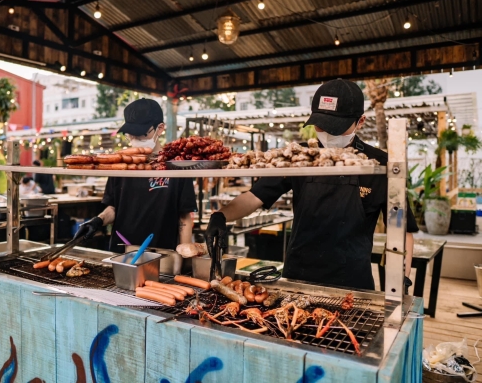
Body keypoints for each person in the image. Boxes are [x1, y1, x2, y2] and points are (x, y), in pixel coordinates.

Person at [205, 79, 418, 291]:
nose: (327, 133)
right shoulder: (299, 156)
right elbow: (254, 196)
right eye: (321, 125)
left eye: (337, 128)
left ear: (360, 122)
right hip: (299, 276)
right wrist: (221, 216)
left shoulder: (379, 164)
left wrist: (402, 276)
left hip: (352, 283)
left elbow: (402, 229)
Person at [74, 98, 197, 252]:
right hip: (121, 251)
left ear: (160, 129)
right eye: (131, 135)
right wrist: (98, 221)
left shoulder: (176, 166)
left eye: (141, 134)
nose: (135, 140)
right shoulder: (121, 165)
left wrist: (184, 256)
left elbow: (184, 217)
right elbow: (113, 207)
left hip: (161, 255)